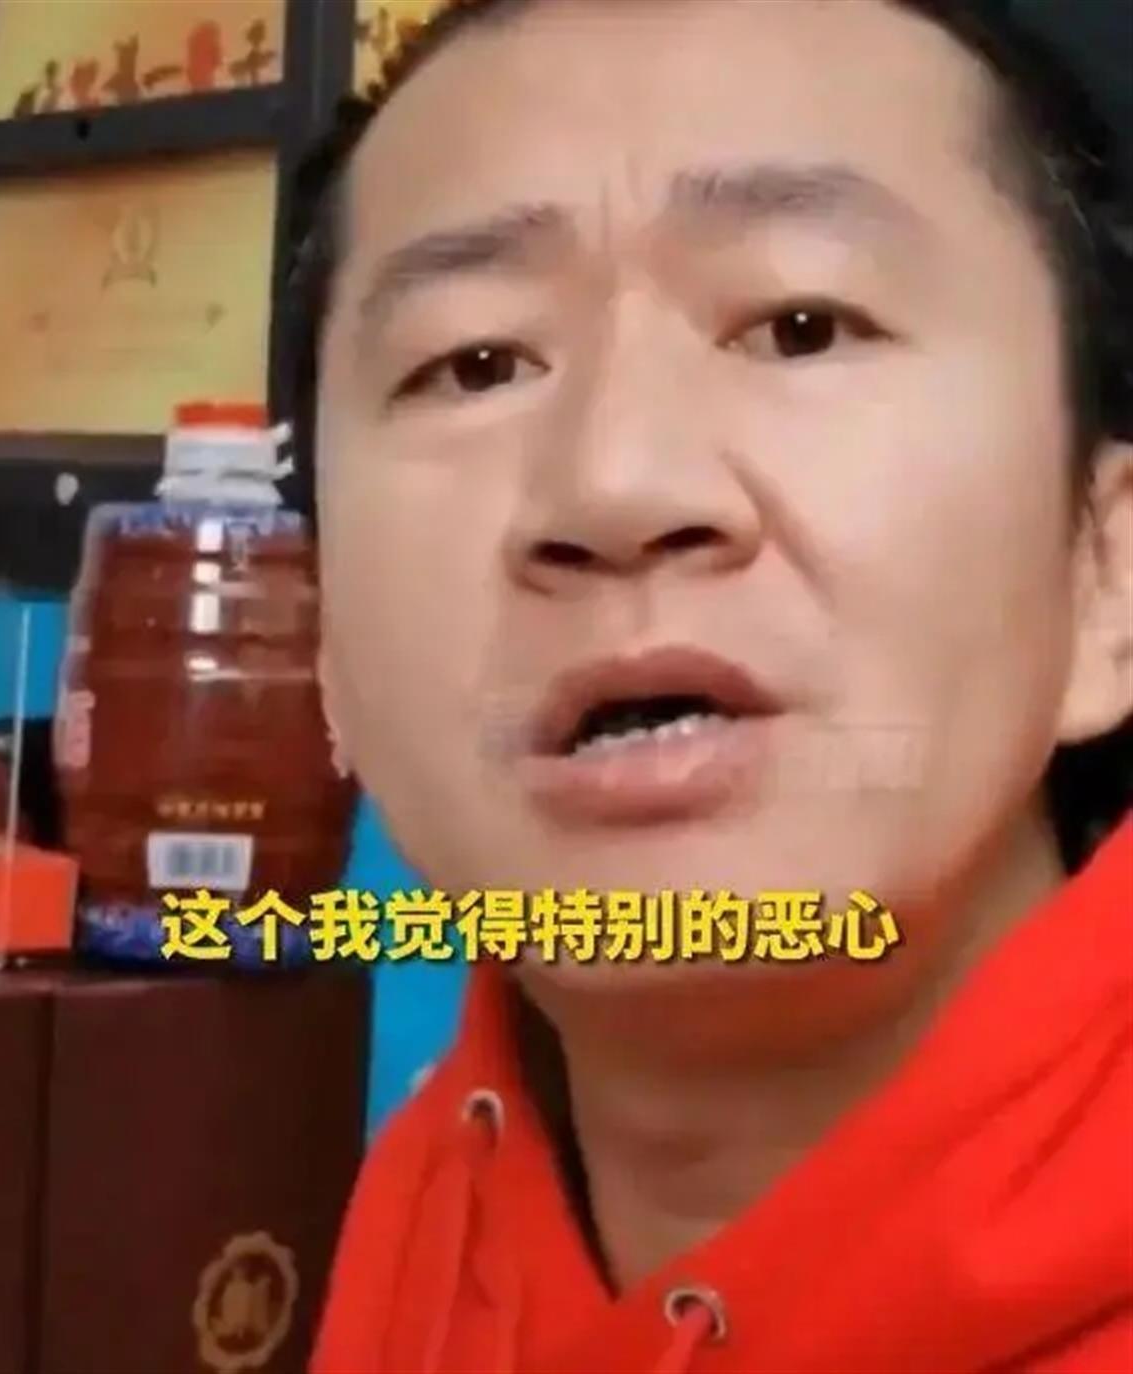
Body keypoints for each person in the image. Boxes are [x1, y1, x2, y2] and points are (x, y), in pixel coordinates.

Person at [297, 0, 1133, 1368]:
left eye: (801, 326)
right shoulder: (438, 1185)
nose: (616, 486)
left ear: (1107, 575)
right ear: (326, 646)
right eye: (476, 364)